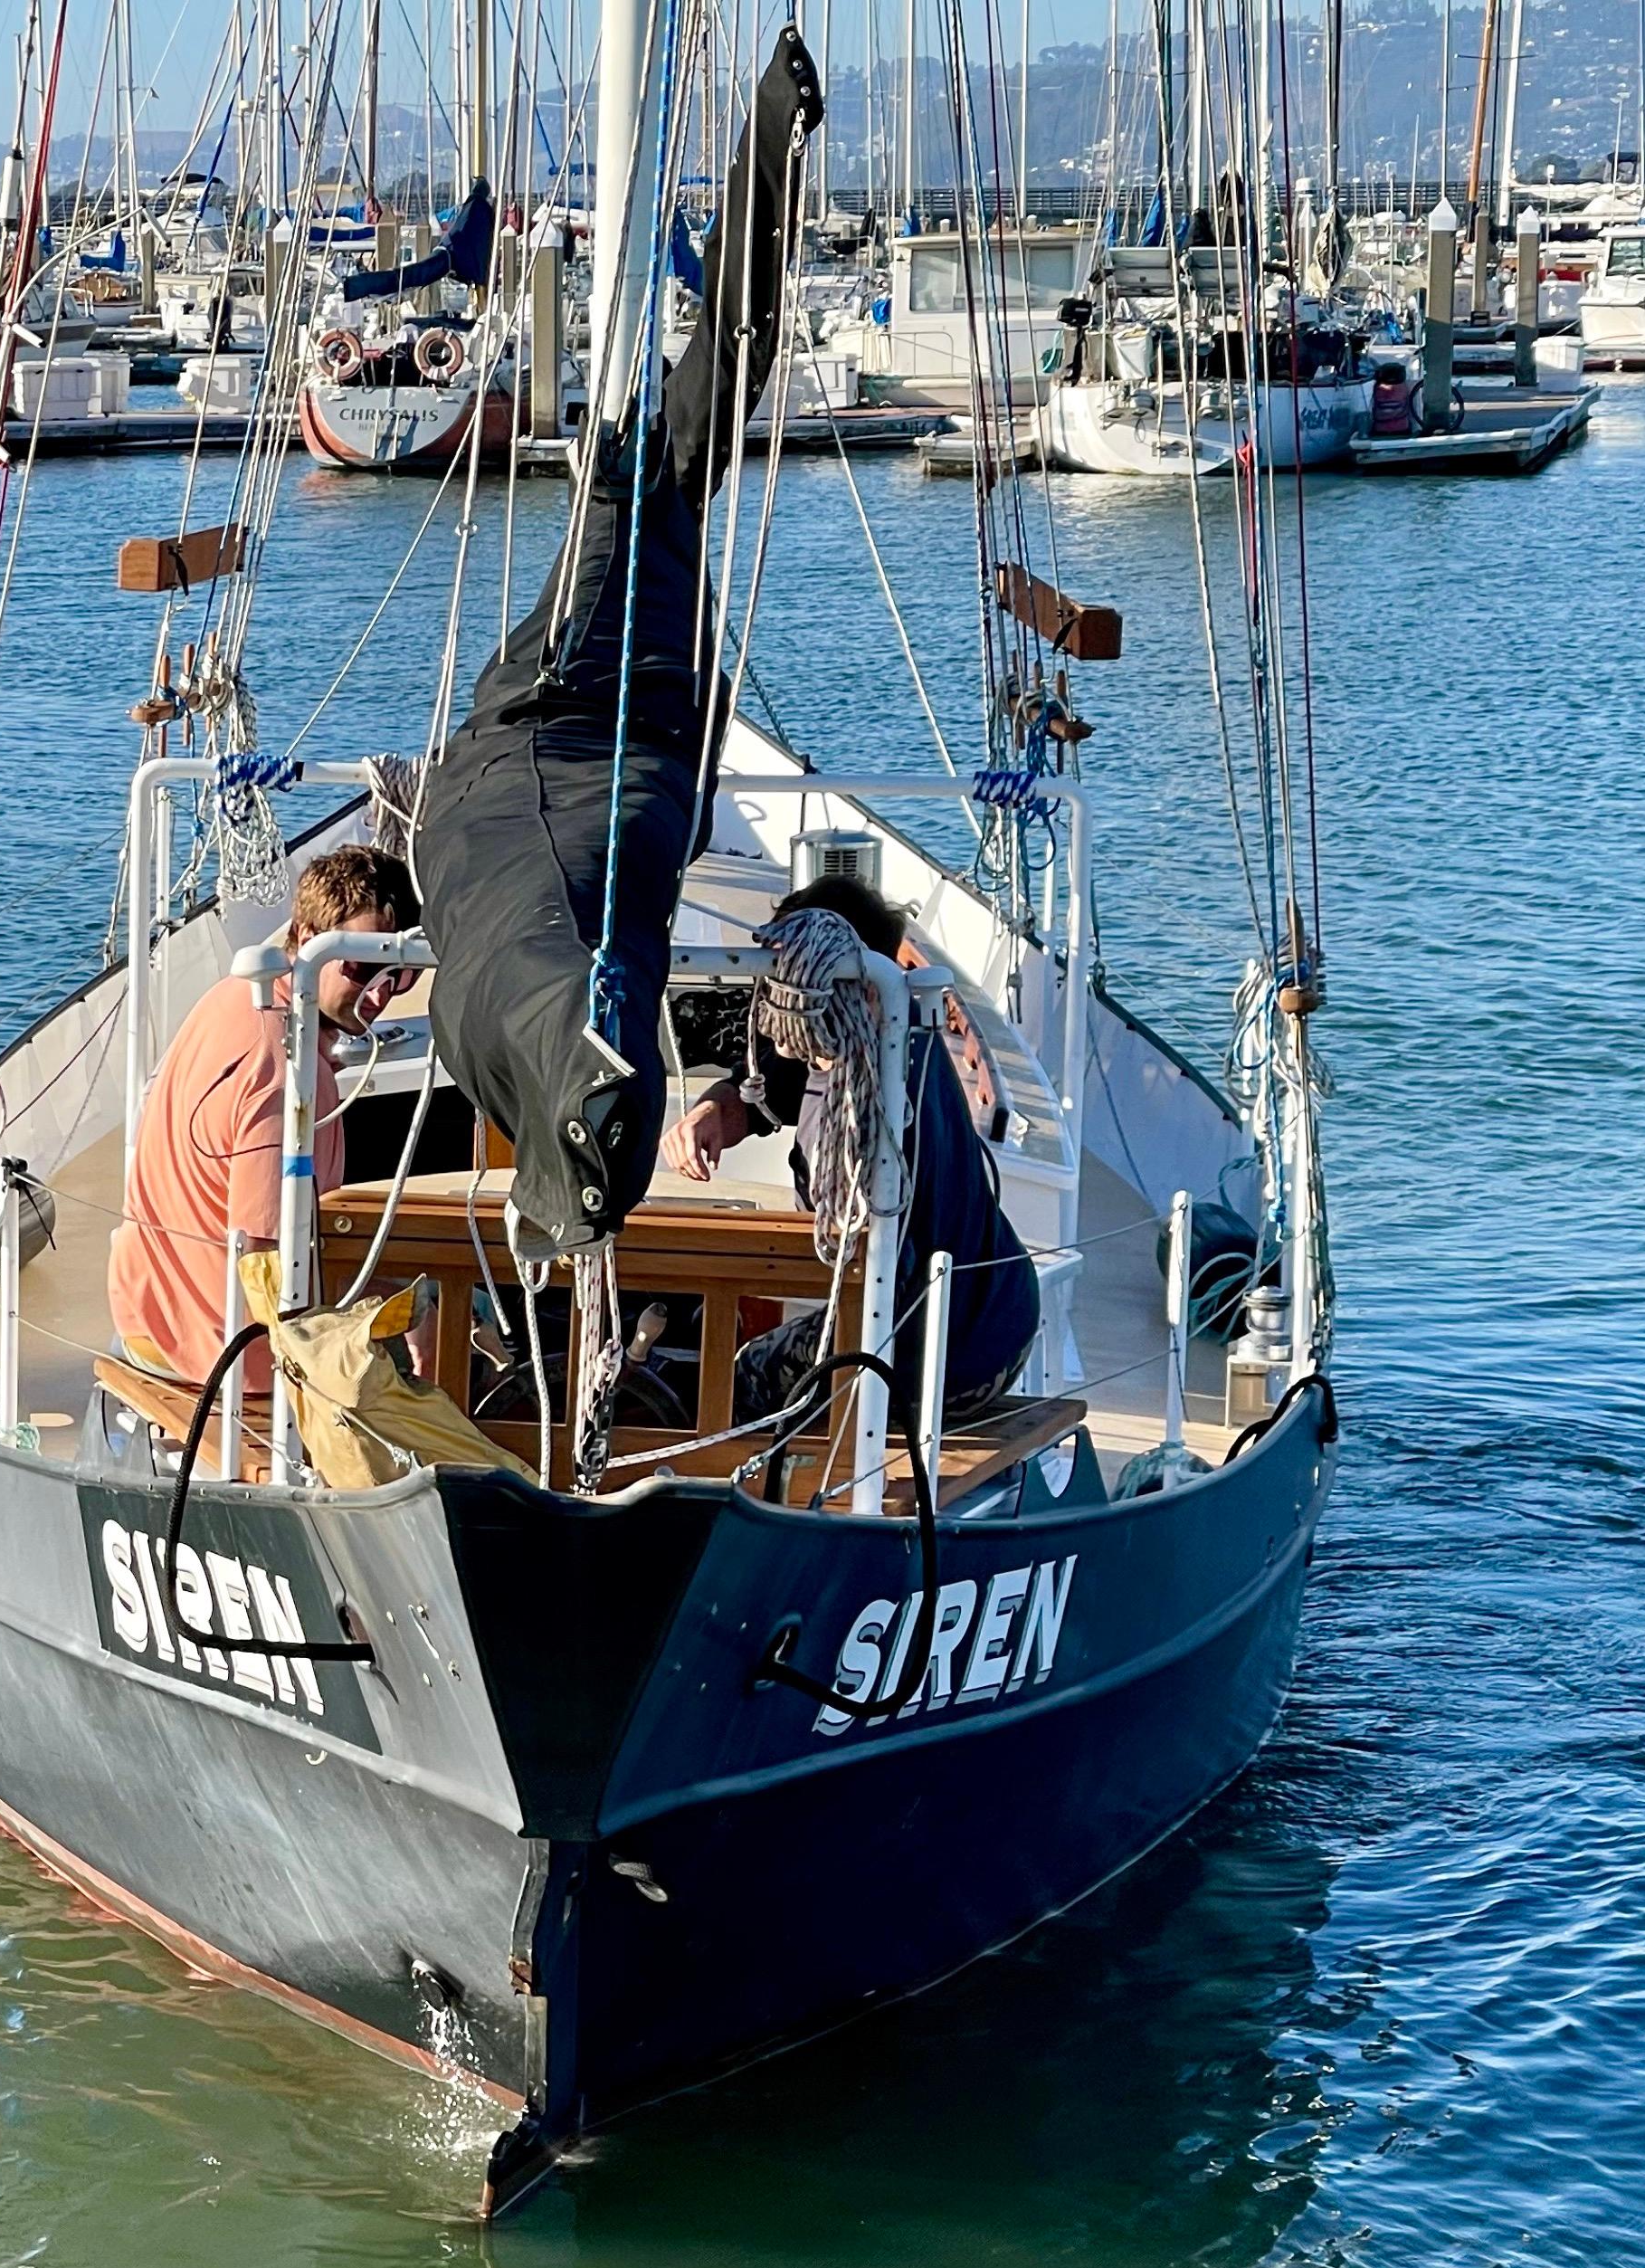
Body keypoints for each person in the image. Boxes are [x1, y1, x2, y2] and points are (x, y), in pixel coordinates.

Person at [410, 28, 824, 1259]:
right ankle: (581, 1087)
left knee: (582, 878)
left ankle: (581, 1091)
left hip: (569, 713)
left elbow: (517, 920)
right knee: (668, 468)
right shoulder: (665, 515)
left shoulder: (641, 521)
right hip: (641, 724)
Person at [659, 875, 1041, 1426]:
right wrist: (716, 1109)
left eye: (790, 980)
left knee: (719, 1385)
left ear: (851, 984)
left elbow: (869, 1273)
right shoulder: (884, 1037)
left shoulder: (880, 1105)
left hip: (942, 1359)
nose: (773, 997)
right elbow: (776, 1082)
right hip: (1004, 1315)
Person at [104, 844, 422, 1384]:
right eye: (363, 968)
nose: (379, 995)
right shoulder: (285, 1071)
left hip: (151, 1312)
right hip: (223, 1354)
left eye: (400, 975)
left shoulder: (236, 998)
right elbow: (270, 1266)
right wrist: (413, 1313)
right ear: (303, 938)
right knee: (456, 1313)